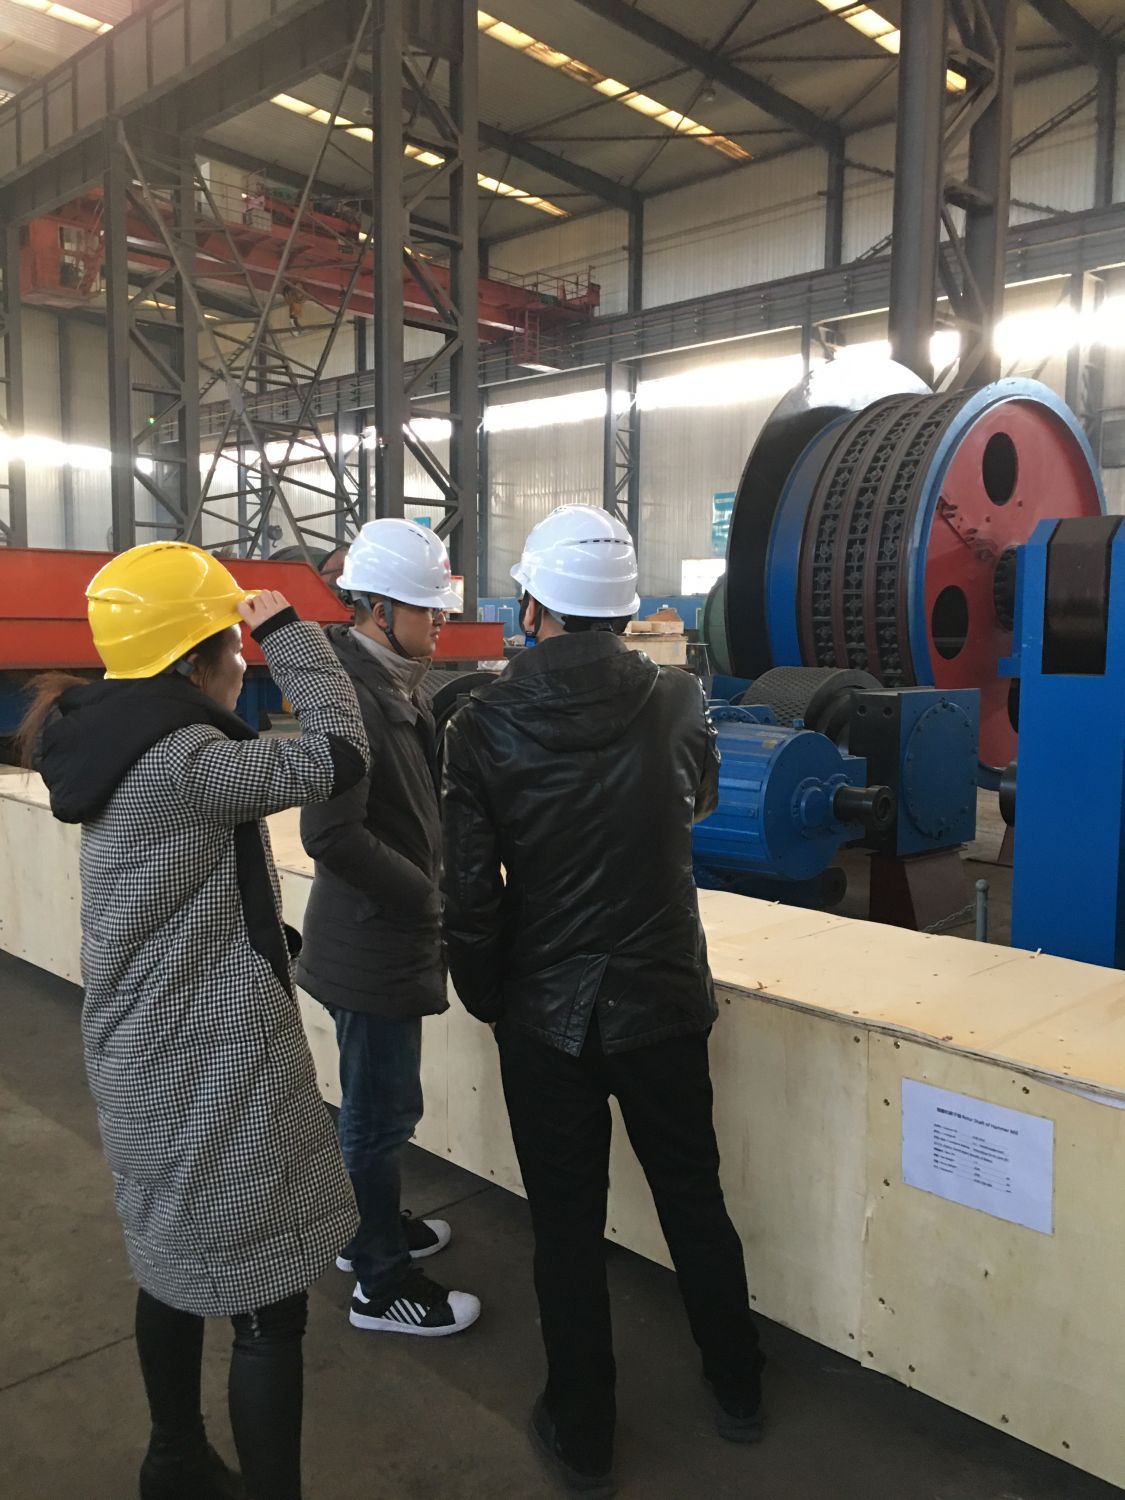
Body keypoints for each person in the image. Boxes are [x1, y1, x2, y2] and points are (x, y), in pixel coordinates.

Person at [20, 542, 369, 1500]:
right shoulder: (187, 758)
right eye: (233, 646)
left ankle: (172, 1460)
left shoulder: (112, 739)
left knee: (169, 1266)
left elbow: (182, 887)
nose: (242, 663)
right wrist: (290, 632)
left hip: (139, 1048)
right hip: (212, 1066)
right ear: (194, 658)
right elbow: (341, 752)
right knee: (268, 1307)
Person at [441, 506, 763, 1496]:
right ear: (623, 609)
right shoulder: (678, 696)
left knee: (568, 1226)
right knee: (694, 1196)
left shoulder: (478, 722)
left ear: (531, 604)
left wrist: (489, 997)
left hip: (547, 1012)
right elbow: (696, 801)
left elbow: (470, 893)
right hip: (663, 995)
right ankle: (739, 1388)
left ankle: (582, 1436)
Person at [297, 519, 480, 1337]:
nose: (440, 620)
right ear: (379, 610)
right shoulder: (351, 700)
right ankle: (380, 1282)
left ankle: (367, 1229)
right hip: (373, 940)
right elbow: (331, 835)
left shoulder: (391, 685)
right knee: (379, 1115)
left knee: (378, 1106)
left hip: (382, 937)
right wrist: (428, 899)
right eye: (426, 608)